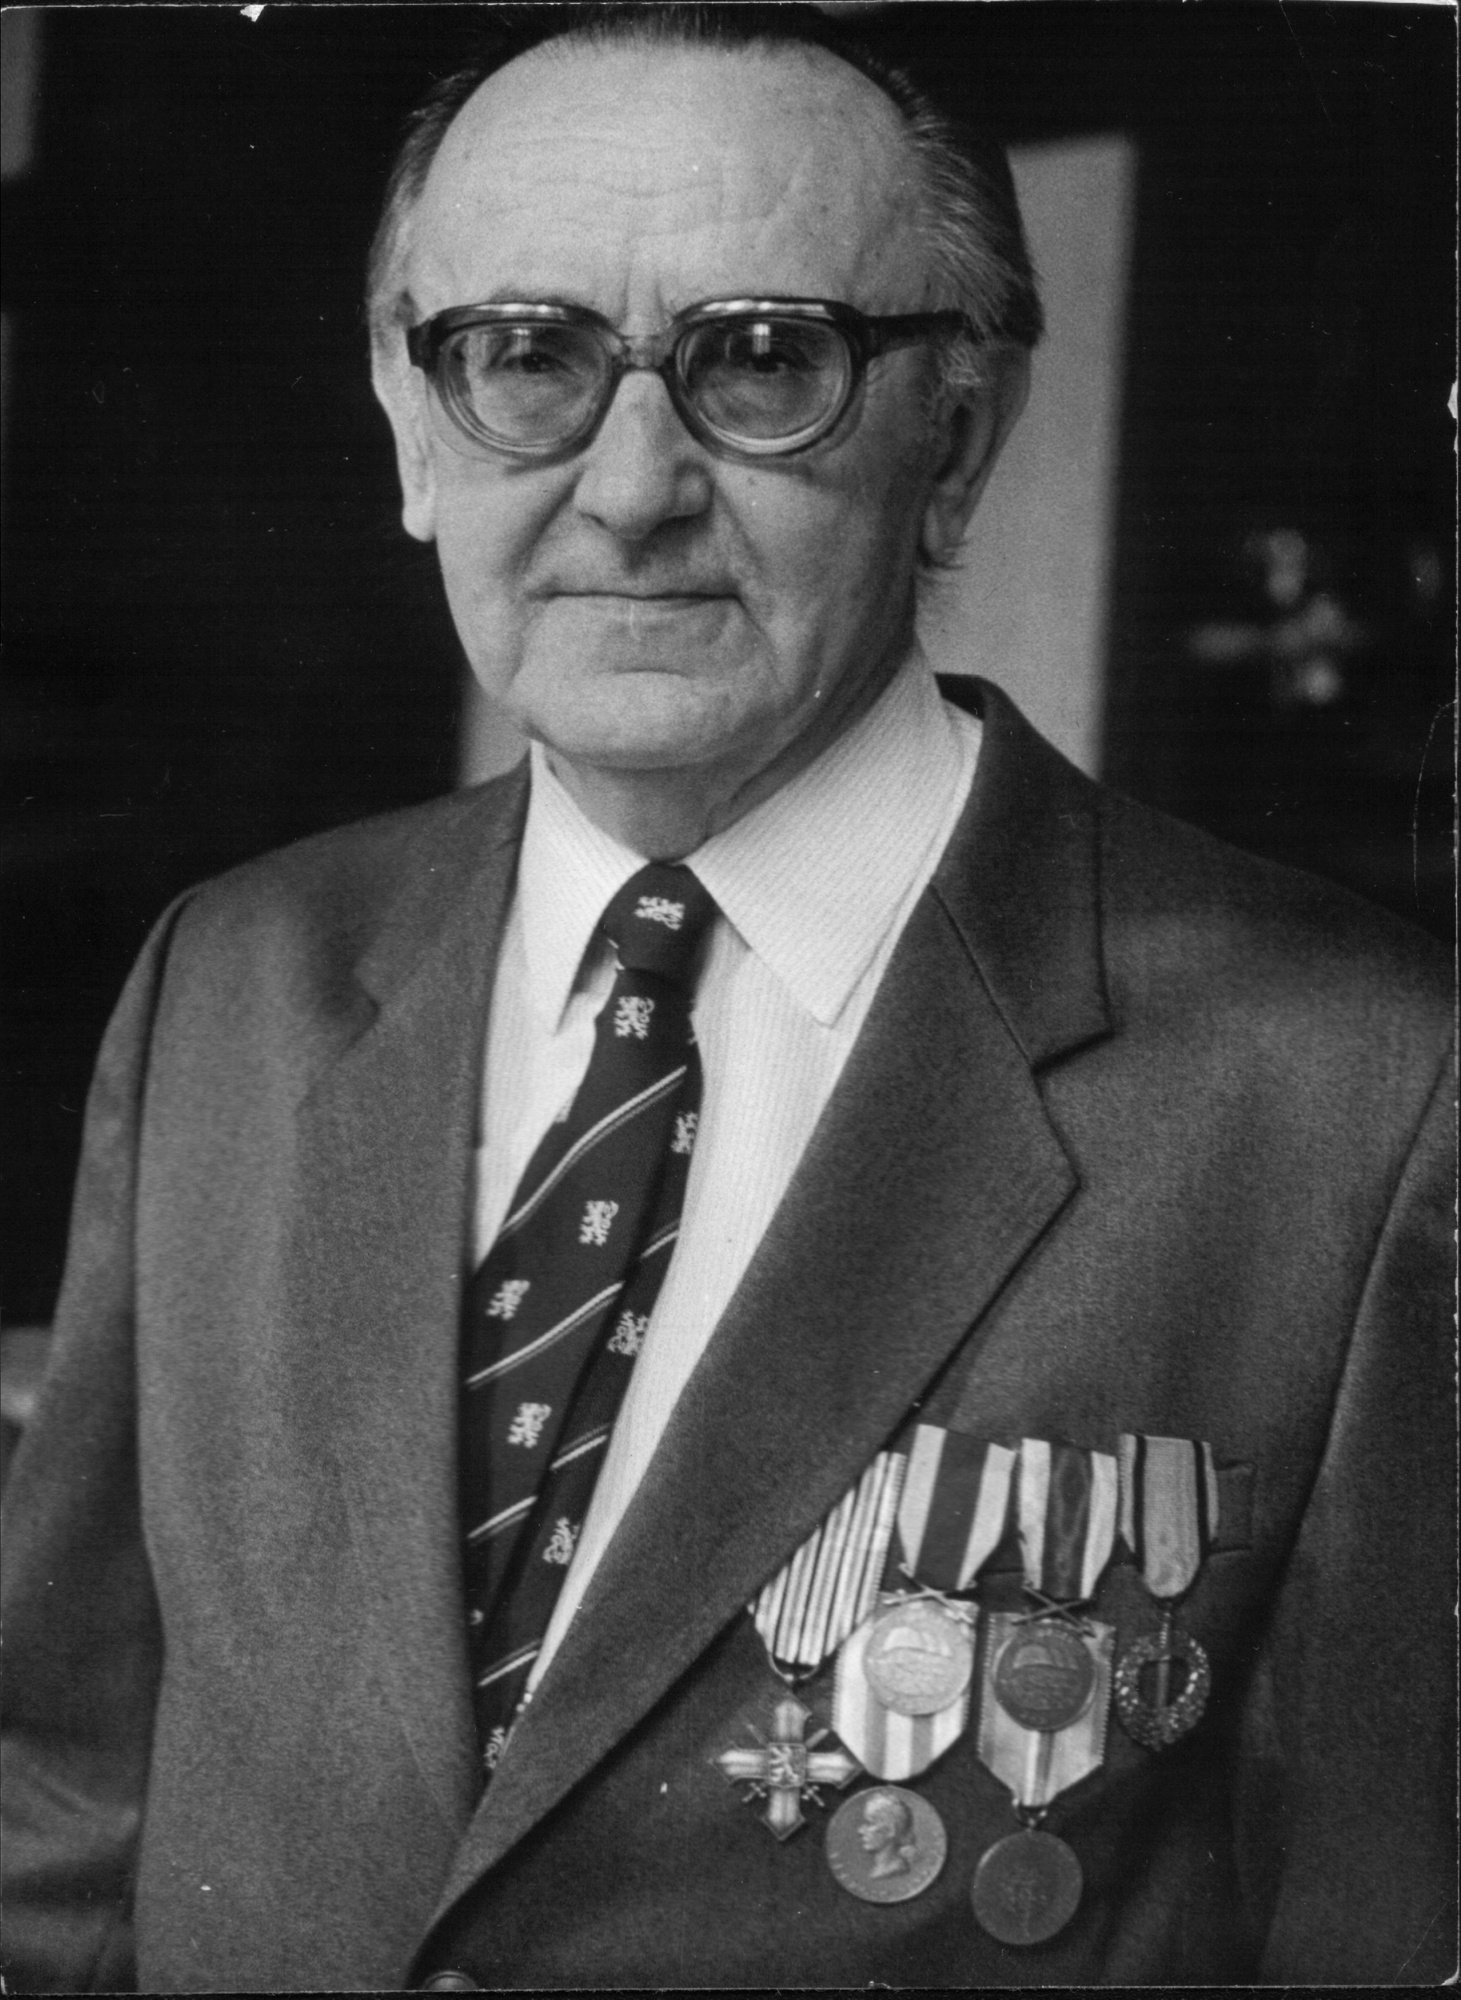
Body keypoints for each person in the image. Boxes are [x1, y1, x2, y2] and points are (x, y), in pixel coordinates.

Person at [2, 4, 1453, 1991]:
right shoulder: (236, 978)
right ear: (412, 426)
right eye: (524, 357)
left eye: (760, 360)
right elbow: (65, 1821)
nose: (630, 489)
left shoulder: (1355, 1091)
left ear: (953, 441)